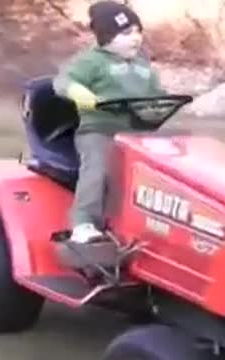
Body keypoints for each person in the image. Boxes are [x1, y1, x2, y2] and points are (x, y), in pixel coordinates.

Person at [53, 0, 165, 244]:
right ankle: (83, 224)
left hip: (138, 134)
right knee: (98, 171)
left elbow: (157, 95)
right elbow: (63, 82)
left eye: (138, 32)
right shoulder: (92, 61)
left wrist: (160, 106)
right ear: (106, 36)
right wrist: (78, 93)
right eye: (126, 33)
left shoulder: (143, 67)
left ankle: (145, 226)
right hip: (100, 131)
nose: (135, 38)